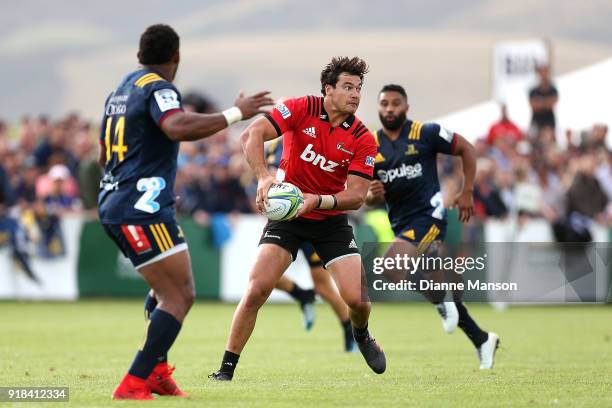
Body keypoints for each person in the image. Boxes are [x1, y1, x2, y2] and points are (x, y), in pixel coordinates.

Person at [97, 24, 273, 400]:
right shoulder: (158, 88)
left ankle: (158, 372)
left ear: (140, 54)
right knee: (179, 296)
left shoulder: (119, 92)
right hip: (140, 209)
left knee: (167, 291)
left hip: (118, 202)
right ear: (176, 57)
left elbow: (102, 156)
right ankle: (135, 380)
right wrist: (234, 113)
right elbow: (175, 126)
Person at [209, 56, 386, 381]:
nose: (355, 94)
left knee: (359, 302)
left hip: (330, 220)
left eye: (359, 88)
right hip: (288, 216)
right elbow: (253, 133)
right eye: (348, 87)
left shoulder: (362, 138)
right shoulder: (301, 108)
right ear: (328, 90)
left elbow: (358, 196)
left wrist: (318, 200)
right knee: (257, 289)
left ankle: (360, 335)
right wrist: (263, 176)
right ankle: (225, 370)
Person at [365, 84, 500, 370]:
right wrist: (371, 195)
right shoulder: (371, 146)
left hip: (430, 215)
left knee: (391, 268)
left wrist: (467, 191)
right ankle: (481, 338)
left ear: (406, 107)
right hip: (401, 224)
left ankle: (443, 301)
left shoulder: (425, 134)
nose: (390, 109)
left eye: (395, 103)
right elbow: (365, 195)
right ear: (378, 108)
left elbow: (466, 148)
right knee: (436, 284)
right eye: (384, 104)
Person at [265, 137, 356, 351]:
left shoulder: (315, 141)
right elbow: (271, 178)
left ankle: (348, 330)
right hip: (287, 223)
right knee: (267, 277)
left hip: (316, 222)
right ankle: (302, 295)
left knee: (323, 288)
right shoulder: (274, 147)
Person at [528, 64, 558, 134]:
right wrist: (546, 102)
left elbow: (551, 104)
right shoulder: (533, 90)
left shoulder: (553, 90)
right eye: (541, 71)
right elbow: (533, 106)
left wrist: (539, 102)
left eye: (545, 71)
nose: (543, 74)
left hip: (549, 121)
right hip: (536, 121)